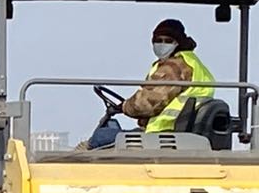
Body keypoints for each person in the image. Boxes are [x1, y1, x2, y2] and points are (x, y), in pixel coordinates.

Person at [86, 19, 216, 148]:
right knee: (110, 132)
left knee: (101, 136)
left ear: (178, 42)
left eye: (168, 41)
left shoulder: (173, 67)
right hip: (176, 132)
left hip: (163, 133)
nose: (162, 44)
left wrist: (125, 106)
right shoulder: (192, 62)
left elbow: (148, 103)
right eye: (158, 40)